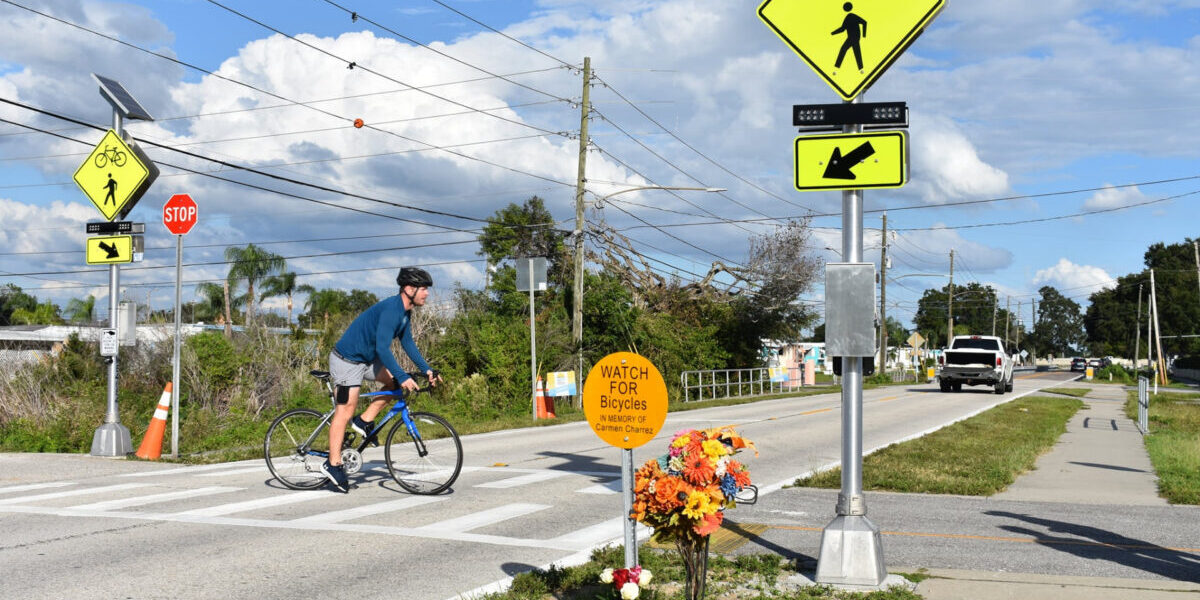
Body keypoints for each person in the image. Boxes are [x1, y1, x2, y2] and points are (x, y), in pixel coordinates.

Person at [321, 267, 440, 492]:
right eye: (423, 289)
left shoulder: (405, 313)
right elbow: (383, 349)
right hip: (347, 361)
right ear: (409, 289)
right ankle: (333, 463)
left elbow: (408, 344)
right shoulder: (391, 310)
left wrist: (426, 369)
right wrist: (404, 375)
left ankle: (364, 421)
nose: (426, 294)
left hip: (365, 361)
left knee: (393, 384)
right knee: (345, 410)